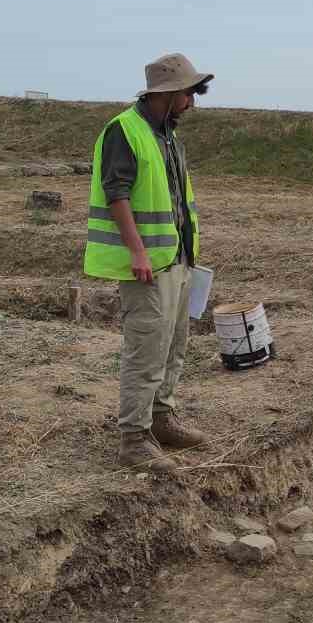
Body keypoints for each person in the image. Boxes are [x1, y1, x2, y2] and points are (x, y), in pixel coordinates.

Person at [84, 52, 212, 475]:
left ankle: (161, 418)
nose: (193, 102)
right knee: (146, 351)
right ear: (168, 93)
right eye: (189, 93)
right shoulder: (125, 131)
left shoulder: (167, 135)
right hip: (148, 265)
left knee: (174, 346)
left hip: (176, 259)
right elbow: (116, 193)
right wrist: (137, 251)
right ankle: (134, 439)